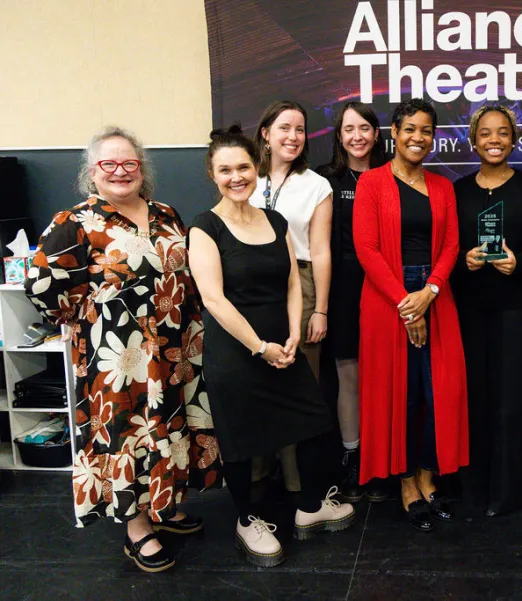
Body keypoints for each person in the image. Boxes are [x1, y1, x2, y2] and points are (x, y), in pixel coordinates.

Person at [25, 126, 219, 573]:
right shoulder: (75, 222)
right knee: (125, 435)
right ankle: (136, 529)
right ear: (91, 172)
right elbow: (40, 285)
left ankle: (163, 507)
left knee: (166, 427)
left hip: (173, 349)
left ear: (142, 168)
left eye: (129, 163)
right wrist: (81, 318)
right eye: (108, 164)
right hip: (117, 357)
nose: (120, 171)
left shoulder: (167, 214)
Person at [188, 125, 353, 567]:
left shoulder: (275, 221)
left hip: (283, 345)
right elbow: (214, 300)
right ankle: (247, 520)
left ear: (256, 169)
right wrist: (260, 347)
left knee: (314, 423)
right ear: (212, 174)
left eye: (243, 167)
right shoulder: (204, 228)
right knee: (241, 440)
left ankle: (311, 506)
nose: (236, 176)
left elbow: (290, 282)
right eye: (225, 170)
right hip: (237, 352)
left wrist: (294, 332)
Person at [353, 98, 468, 532]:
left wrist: (430, 292)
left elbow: (452, 246)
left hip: (437, 297)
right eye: (410, 129)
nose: (418, 137)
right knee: (400, 393)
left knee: (437, 392)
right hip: (388, 299)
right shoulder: (372, 184)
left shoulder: (443, 187)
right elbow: (367, 249)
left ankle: (427, 474)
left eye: (426, 130)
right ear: (394, 134)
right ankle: (405, 482)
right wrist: (408, 303)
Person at [452, 105, 522, 517]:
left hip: (515, 309)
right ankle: (472, 490)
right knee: (472, 398)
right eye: (485, 133)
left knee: (513, 399)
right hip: (469, 309)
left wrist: (519, 262)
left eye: (502, 133)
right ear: (473, 140)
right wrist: (464, 262)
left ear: (514, 139)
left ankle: (511, 493)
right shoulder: (458, 191)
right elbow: (443, 252)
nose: (494, 140)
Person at [248, 100, 333, 492]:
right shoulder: (243, 178)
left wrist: (321, 310)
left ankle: (299, 479)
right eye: (284, 128)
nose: (293, 137)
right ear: (265, 133)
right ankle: (259, 473)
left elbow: (320, 250)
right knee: (256, 375)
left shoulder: (316, 185)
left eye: (300, 129)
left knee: (299, 380)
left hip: (301, 281)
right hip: (249, 285)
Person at [317, 101, 388, 503]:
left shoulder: (394, 177)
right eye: (348, 129)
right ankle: (353, 456)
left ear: (377, 134)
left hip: (388, 289)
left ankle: (387, 457)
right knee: (349, 375)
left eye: (364, 128)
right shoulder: (325, 180)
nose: (357, 136)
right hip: (343, 290)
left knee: (384, 375)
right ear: (339, 137)